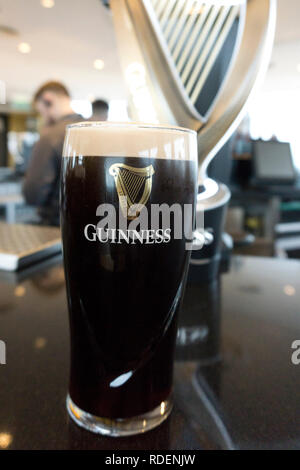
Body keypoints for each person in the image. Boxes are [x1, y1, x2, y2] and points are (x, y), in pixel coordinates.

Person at [23, 81, 83, 226]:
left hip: (56, 225)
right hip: (90, 228)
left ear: (48, 100)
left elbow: (33, 194)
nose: (43, 117)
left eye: (41, 111)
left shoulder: (50, 136)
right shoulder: (94, 131)